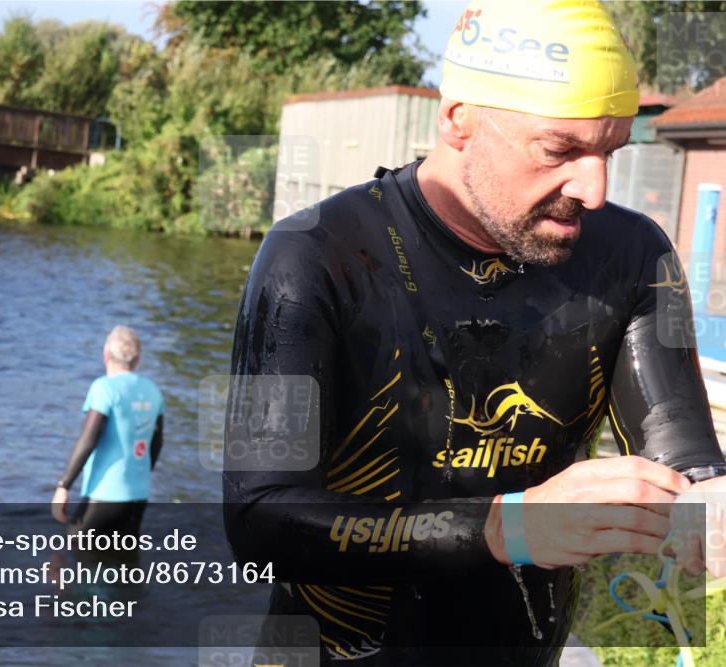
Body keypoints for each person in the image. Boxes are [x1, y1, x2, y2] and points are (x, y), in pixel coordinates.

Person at [223, 2, 726, 665]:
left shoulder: (633, 256)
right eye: (561, 149)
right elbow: (260, 516)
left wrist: (708, 504)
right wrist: (504, 523)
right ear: (459, 118)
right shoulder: (314, 256)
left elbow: (684, 457)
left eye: (610, 150)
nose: (596, 188)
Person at [51, 326, 164, 536]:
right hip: (138, 495)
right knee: (126, 559)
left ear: (106, 355)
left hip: (104, 494)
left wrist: (63, 486)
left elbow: (88, 440)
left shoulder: (104, 388)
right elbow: (156, 444)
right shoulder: (153, 390)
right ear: (137, 358)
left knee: (69, 551)